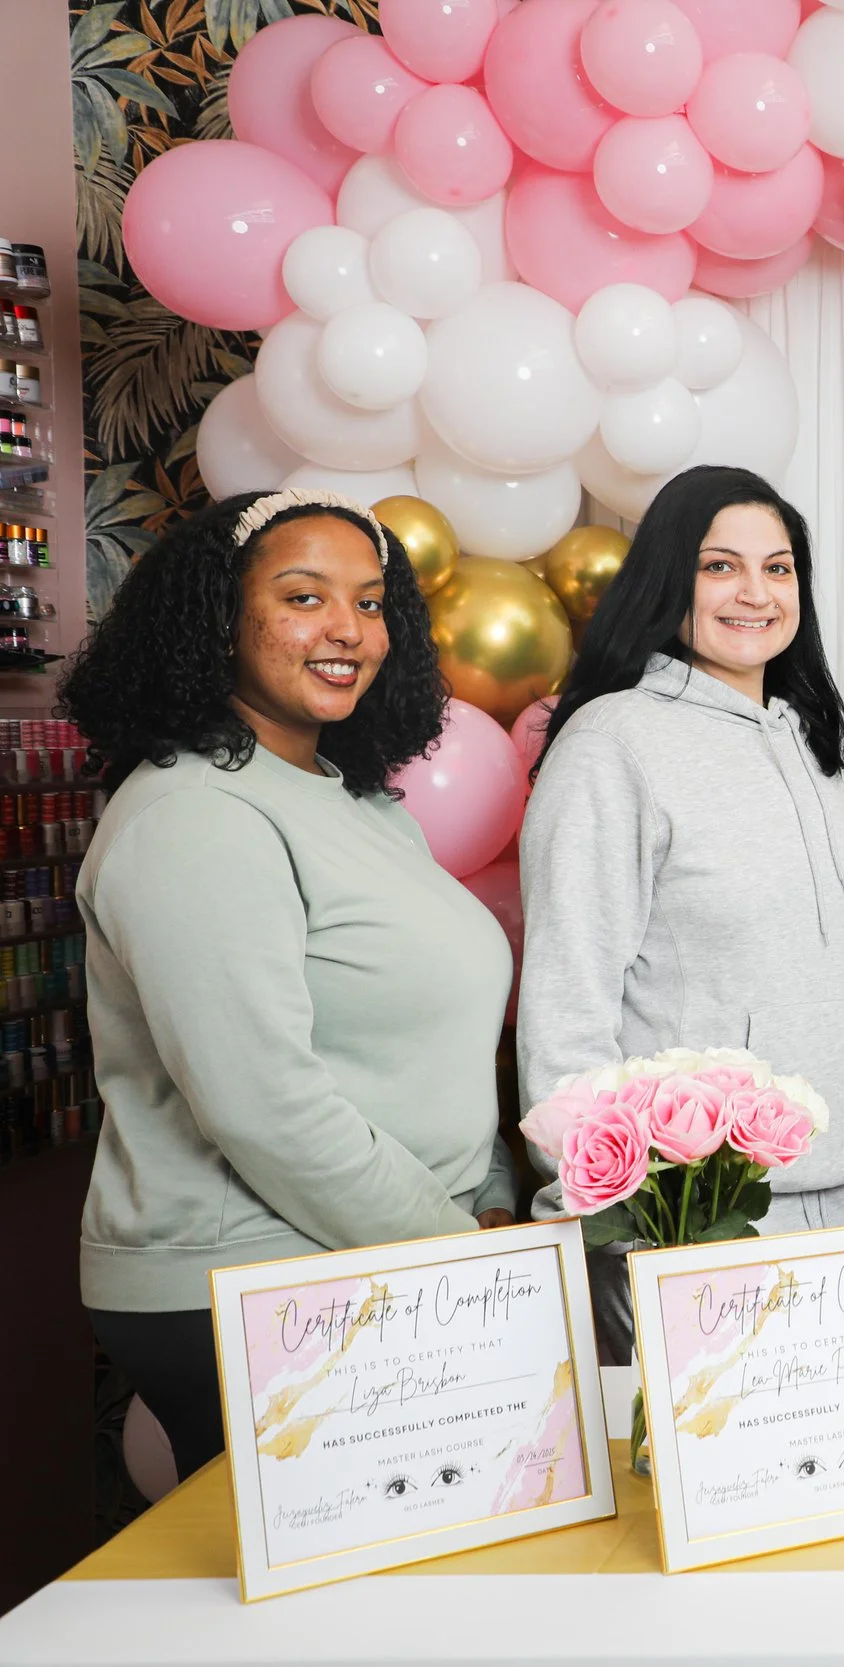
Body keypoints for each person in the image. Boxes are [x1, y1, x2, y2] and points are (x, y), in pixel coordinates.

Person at [64, 489, 516, 1479]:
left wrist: (483, 1194)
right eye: (304, 596)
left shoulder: (350, 801)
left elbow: (427, 1043)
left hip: (374, 1257)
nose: (346, 629)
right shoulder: (194, 812)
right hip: (257, 1281)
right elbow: (264, 1104)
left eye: (370, 601)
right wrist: (462, 1251)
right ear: (218, 615)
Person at [521, 467, 844, 1358]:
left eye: (780, 567)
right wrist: (630, 1220)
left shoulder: (808, 743)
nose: (756, 593)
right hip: (697, 1223)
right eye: (721, 566)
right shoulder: (613, 743)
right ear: (668, 581)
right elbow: (566, 1016)